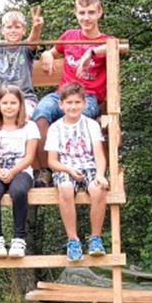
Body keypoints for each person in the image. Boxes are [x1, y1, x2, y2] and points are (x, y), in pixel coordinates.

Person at [32, 0, 121, 187]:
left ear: (100, 13)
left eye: (91, 12)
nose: (86, 18)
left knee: (81, 119)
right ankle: (45, 170)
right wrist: (47, 53)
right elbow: (54, 51)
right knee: (40, 112)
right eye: (82, 13)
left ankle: (85, 168)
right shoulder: (70, 36)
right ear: (76, 14)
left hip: (87, 97)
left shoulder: (107, 40)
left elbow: (117, 47)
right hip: (61, 95)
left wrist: (92, 51)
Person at [45, 82, 109, 262]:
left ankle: (95, 238)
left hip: (88, 167)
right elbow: (52, 161)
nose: (73, 107)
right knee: (65, 188)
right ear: (61, 105)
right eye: (69, 103)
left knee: (98, 189)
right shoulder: (55, 128)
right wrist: (68, 170)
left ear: (84, 104)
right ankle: (73, 240)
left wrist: (100, 174)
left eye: (77, 102)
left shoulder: (91, 125)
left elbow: (99, 156)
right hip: (65, 167)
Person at [0, 85, 39, 258]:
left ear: (20, 104)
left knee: (18, 191)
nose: (9, 106)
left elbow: (29, 157)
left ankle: (18, 238)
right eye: (5, 103)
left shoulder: (30, 126)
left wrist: (13, 171)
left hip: (21, 169)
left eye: (13, 103)